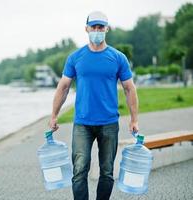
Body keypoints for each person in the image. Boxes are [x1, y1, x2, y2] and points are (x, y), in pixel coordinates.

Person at [49, 11, 139, 200]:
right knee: (79, 170)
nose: (97, 31)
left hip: (109, 123)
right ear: (86, 29)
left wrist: (134, 120)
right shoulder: (75, 57)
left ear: (107, 29)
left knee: (106, 172)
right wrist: (54, 115)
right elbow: (63, 87)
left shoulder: (118, 57)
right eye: (94, 27)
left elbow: (129, 89)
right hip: (82, 123)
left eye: (101, 27)